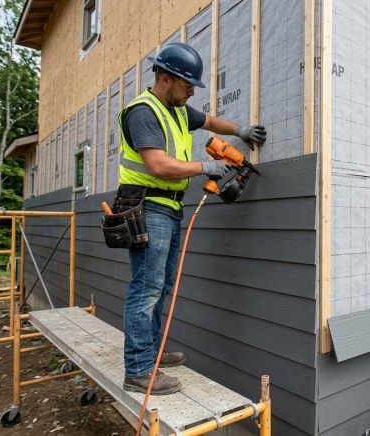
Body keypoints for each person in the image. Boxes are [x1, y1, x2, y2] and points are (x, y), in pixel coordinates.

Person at [117, 42, 266, 395]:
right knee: (146, 289)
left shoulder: (179, 110)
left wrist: (240, 131)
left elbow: (211, 120)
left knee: (162, 286)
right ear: (166, 79)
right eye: (188, 86)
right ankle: (137, 370)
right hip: (147, 206)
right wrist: (207, 167)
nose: (191, 92)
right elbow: (157, 165)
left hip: (169, 209)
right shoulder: (144, 111)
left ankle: (150, 354)